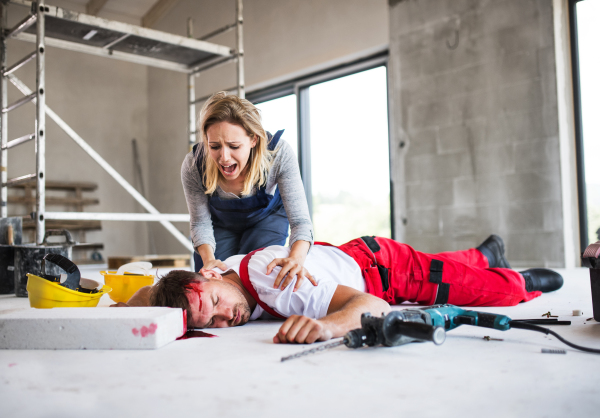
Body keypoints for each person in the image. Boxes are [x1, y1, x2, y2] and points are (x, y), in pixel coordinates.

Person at [145, 235, 563, 344]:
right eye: (213, 321)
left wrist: (327, 327)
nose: (226, 317)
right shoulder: (228, 271)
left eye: (216, 303)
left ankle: (520, 281)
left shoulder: (276, 282)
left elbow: (374, 306)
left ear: (210, 274)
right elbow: (147, 294)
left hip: (383, 270)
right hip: (357, 255)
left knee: (463, 288)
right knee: (442, 269)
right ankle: (484, 252)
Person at [181, 92, 314, 291]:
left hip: (267, 219)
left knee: (259, 279)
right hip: (220, 224)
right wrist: (209, 260)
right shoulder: (194, 164)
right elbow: (200, 222)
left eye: (234, 146)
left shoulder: (278, 155)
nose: (224, 157)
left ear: (253, 139)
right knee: (213, 284)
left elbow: (301, 222)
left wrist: (296, 259)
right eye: (214, 146)